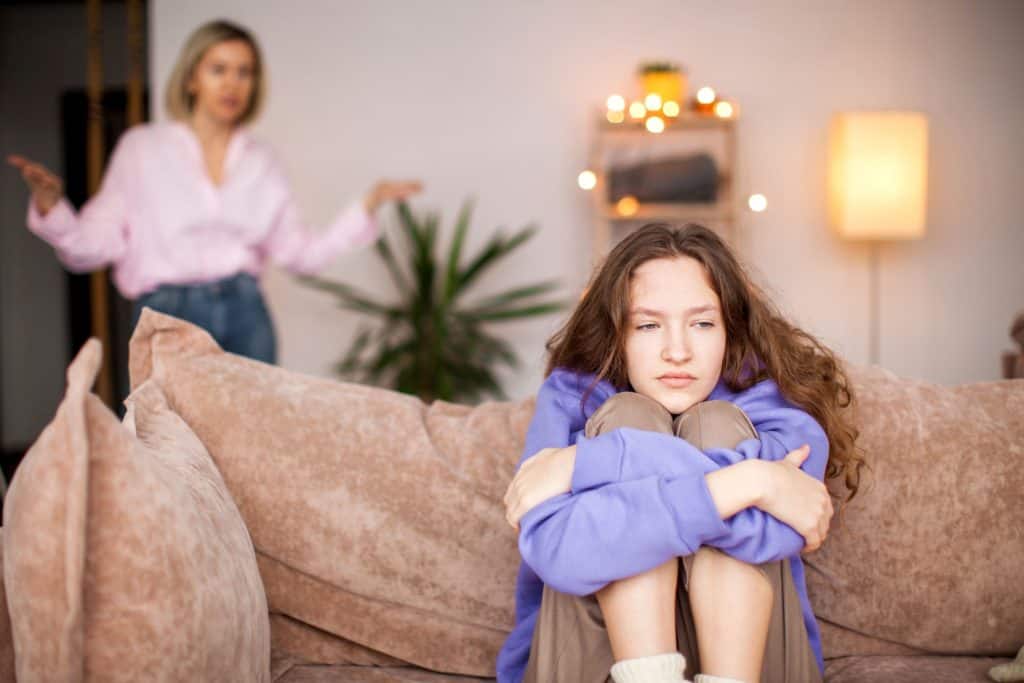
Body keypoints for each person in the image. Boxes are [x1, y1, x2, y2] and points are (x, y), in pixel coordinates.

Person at [498, 223, 864, 683]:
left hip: (750, 668)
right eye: (648, 325)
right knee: (627, 413)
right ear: (616, 333)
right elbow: (559, 552)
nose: (677, 351)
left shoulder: (776, 406)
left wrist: (589, 463)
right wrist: (753, 480)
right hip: (594, 659)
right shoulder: (573, 396)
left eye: (702, 323)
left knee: (717, 425)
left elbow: (772, 534)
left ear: (731, 328)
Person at [7, 19, 421, 364]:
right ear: (191, 77)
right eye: (218, 68)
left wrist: (368, 205)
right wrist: (52, 207)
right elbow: (91, 247)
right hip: (167, 314)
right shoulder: (142, 149)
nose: (232, 84)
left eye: (244, 71)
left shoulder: (262, 161)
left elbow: (302, 254)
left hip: (246, 313)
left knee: (250, 448)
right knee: (164, 447)